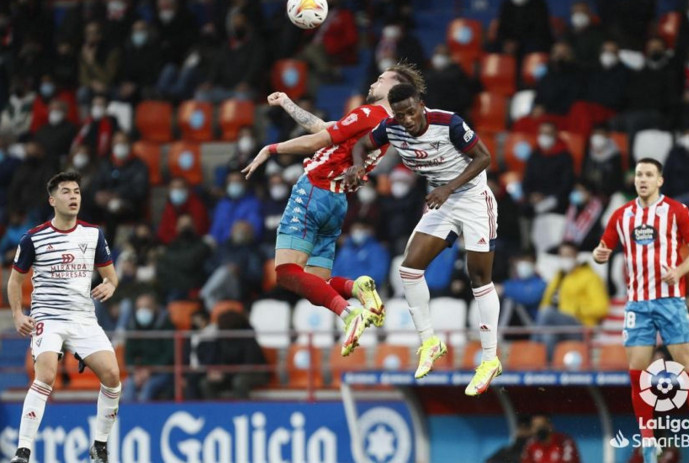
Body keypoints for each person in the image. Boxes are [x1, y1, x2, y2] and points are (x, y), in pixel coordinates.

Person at [242, 63, 425, 357]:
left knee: (287, 274)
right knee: (318, 285)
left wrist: (271, 150)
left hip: (312, 190)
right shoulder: (385, 126)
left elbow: (317, 141)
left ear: (393, 89)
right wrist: (288, 103)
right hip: (337, 202)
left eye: (380, 80)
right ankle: (356, 288)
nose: (372, 84)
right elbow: (324, 129)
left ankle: (349, 315)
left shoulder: (368, 113)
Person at [348, 83, 500, 396]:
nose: (406, 119)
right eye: (400, 114)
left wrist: (449, 188)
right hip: (440, 200)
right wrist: (358, 164)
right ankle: (430, 341)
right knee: (409, 269)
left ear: (421, 104)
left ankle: (489, 359)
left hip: (471, 198)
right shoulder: (391, 128)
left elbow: (484, 158)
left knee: (479, 278)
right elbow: (360, 144)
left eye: (411, 111)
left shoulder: (450, 124)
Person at [593, 158, 689, 463]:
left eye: (649, 175)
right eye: (639, 175)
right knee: (637, 374)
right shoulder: (621, 215)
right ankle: (649, 445)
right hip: (638, 303)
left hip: (670, 300)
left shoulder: (675, 210)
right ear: (634, 180)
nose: (643, 179)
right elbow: (603, 249)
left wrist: (679, 271)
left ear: (660, 180)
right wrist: (598, 254)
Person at [8, 171, 121, 463]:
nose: (74, 197)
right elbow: (14, 281)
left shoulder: (93, 234)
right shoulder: (33, 238)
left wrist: (110, 285)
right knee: (46, 374)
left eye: (77, 192)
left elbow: (111, 276)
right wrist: (18, 314)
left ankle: (99, 445)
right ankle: (23, 451)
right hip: (49, 317)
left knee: (112, 376)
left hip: (83, 318)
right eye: (67, 192)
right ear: (52, 199)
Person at [533, 241, 608, 360]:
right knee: (548, 335)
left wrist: (577, 309)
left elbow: (602, 308)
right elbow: (545, 302)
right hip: (559, 326)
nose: (564, 259)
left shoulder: (590, 277)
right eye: (561, 256)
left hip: (581, 327)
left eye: (568, 255)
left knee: (547, 313)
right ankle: (549, 373)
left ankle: (533, 352)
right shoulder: (558, 277)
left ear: (576, 256)